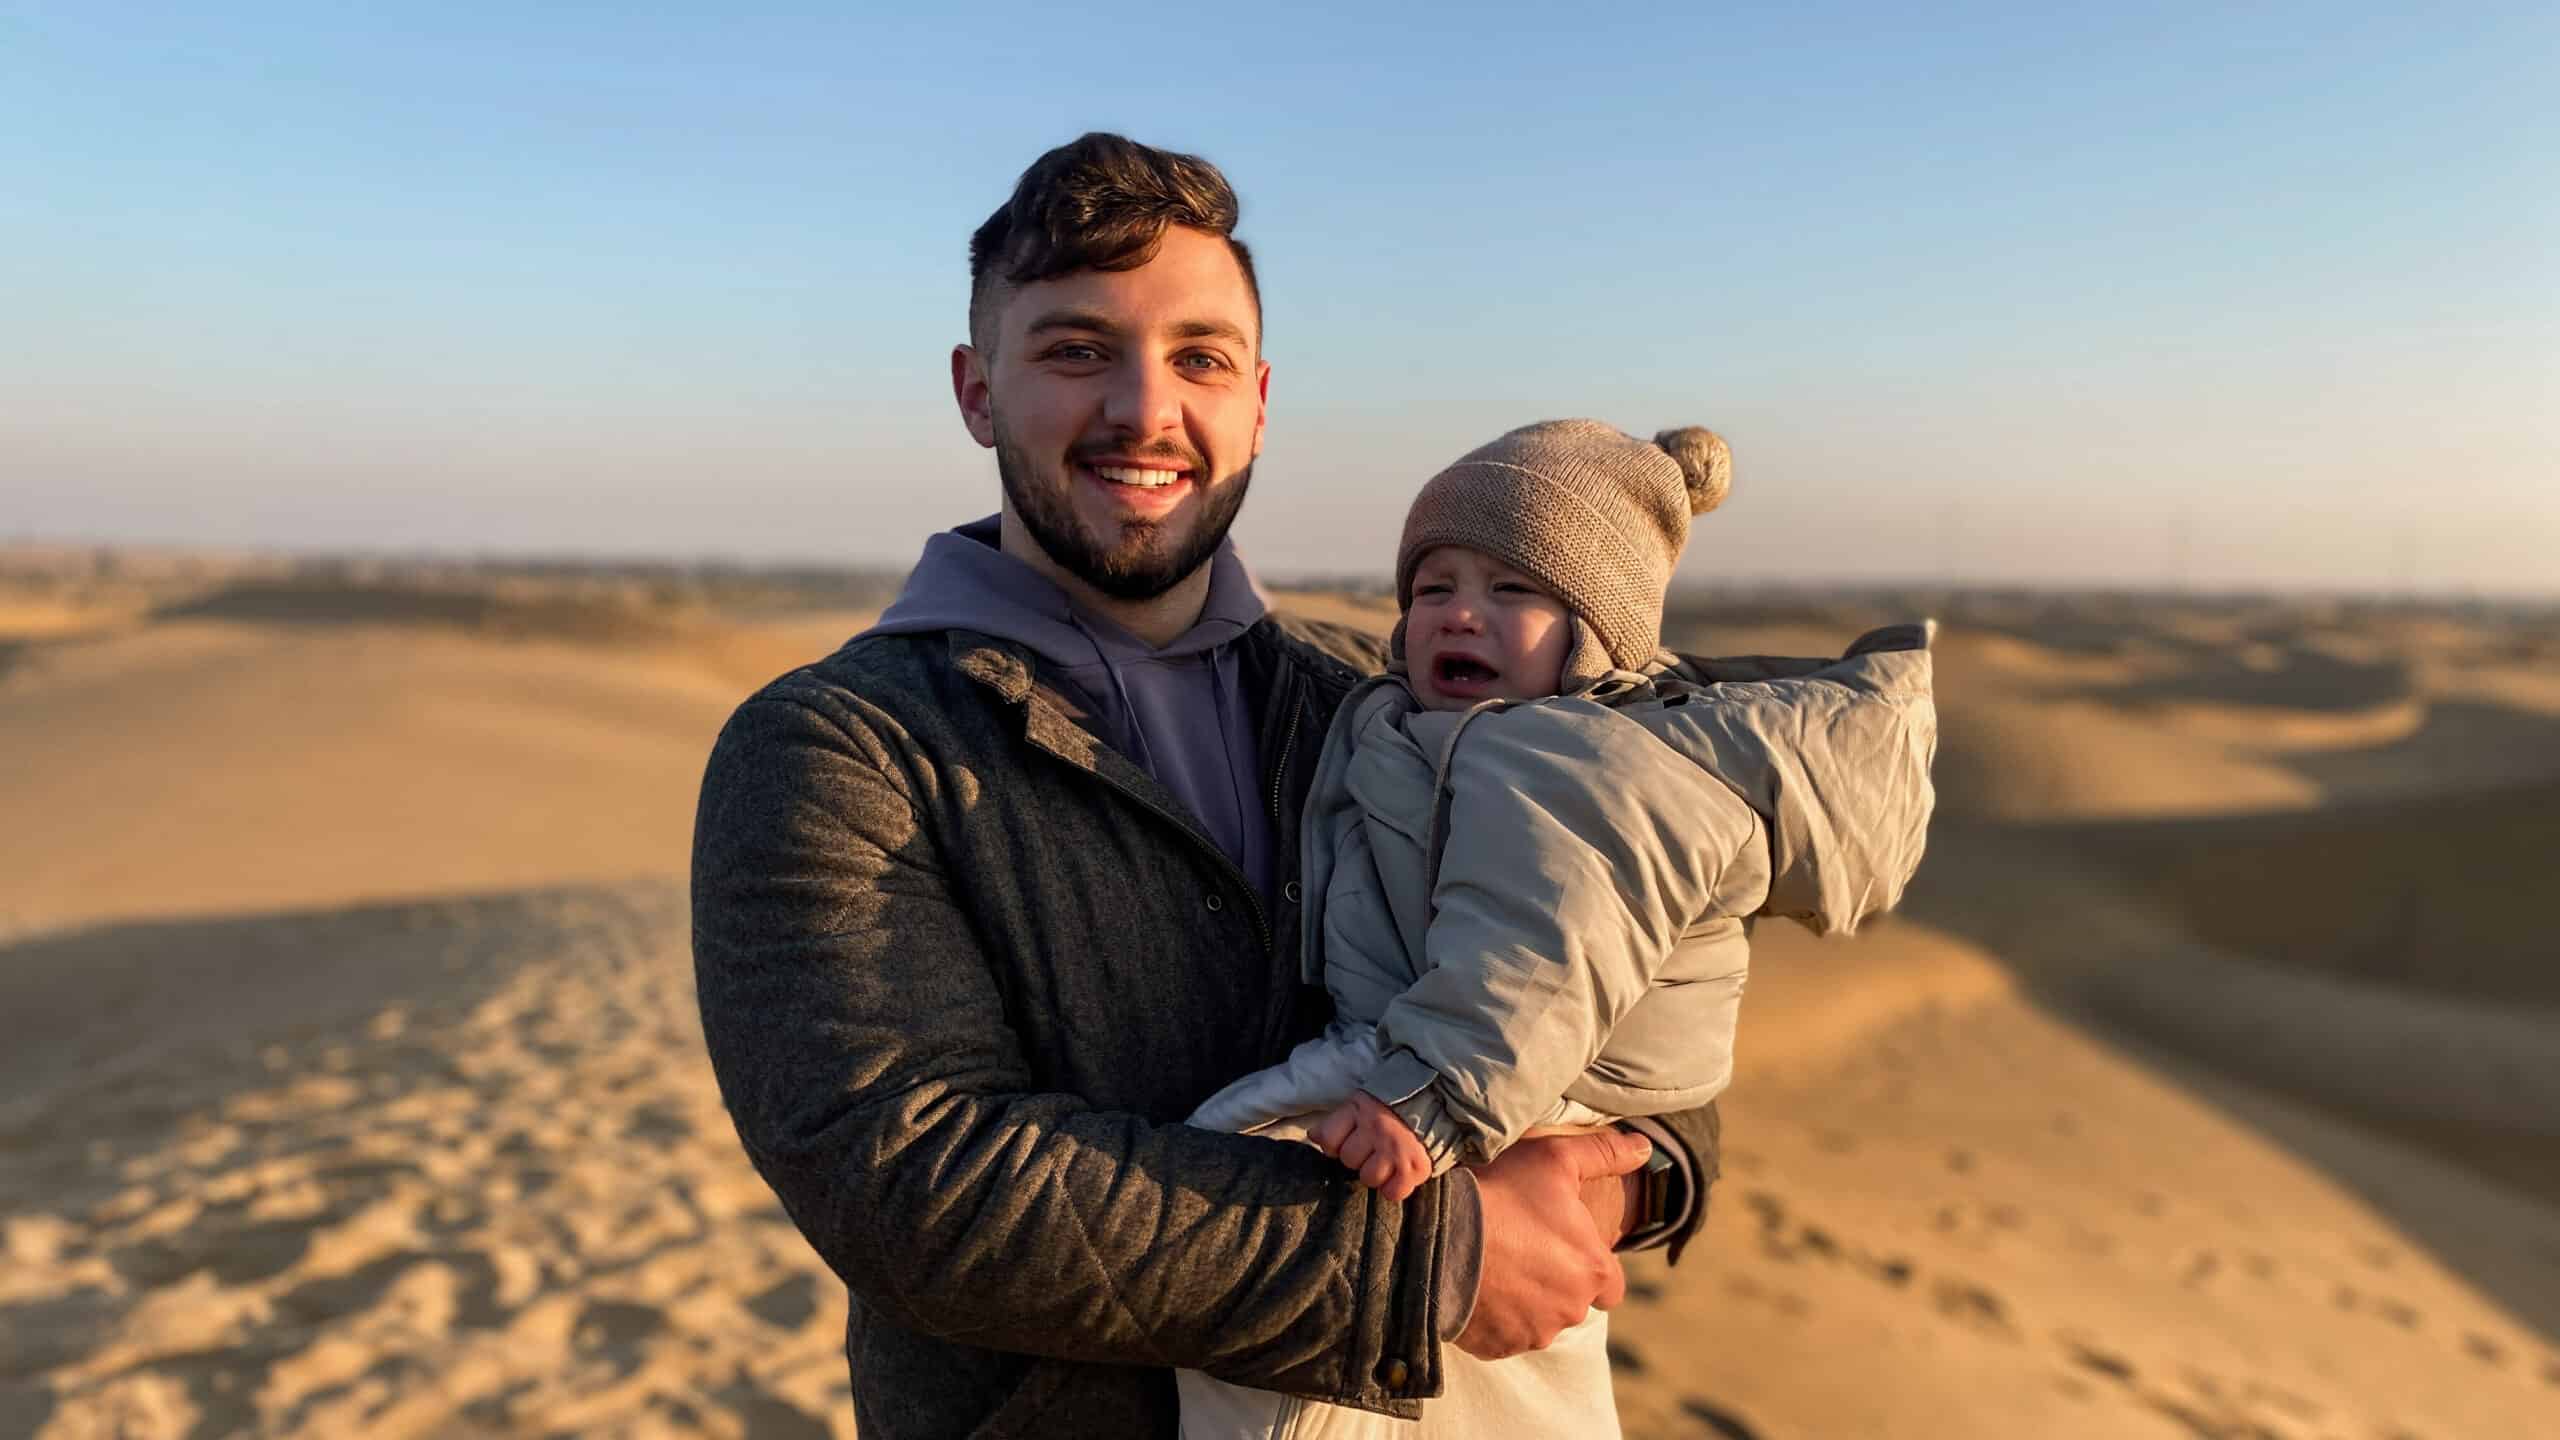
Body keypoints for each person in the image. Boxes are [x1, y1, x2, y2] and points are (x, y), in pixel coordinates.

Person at [689, 133, 1721, 1439]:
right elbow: (914, 1187)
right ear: (975, 391)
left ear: (1260, 400)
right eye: (1075, 350)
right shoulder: (838, 751)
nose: (1144, 410)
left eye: (1199, 357)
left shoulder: (1396, 703)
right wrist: (1434, 1261)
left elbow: (1659, 1009)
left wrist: (1613, 1189)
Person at [1172, 421, 1938, 1438]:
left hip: (1494, 1090)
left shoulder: (1579, 770)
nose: (1461, 615)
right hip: (1473, 1084)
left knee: (1239, 1194)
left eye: (1513, 591)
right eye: (1433, 585)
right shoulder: (1421, 726)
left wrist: (1428, 1098)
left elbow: (1539, 959)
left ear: (1598, 632)